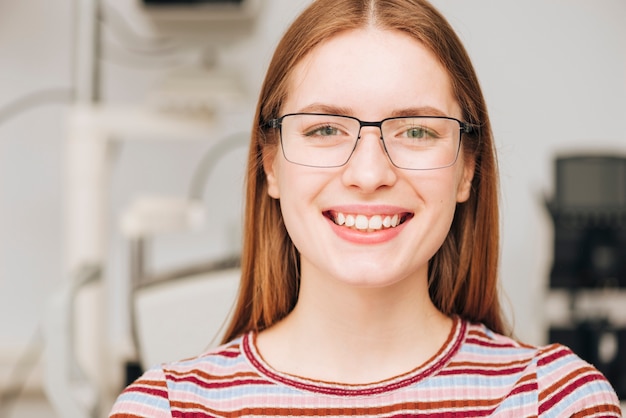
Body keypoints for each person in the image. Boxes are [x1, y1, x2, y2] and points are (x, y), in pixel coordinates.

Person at [110, 0, 622, 416]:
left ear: (467, 168)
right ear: (270, 165)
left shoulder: (554, 400)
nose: (370, 174)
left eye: (417, 130)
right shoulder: (168, 407)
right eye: (325, 129)